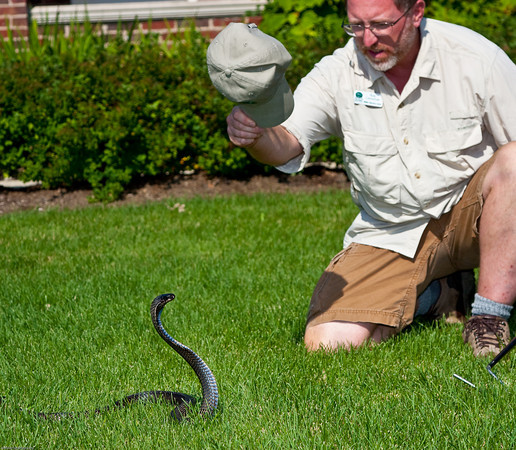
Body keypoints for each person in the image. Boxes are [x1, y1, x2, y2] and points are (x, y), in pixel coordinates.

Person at [225, 0, 516, 356]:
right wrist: (257, 136)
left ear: (416, 12)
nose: (367, 39)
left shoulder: (475, 59)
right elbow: (286, 142)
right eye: (356, 26)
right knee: (327, 344)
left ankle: (488, 318)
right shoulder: (337, 71)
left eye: (380, 24)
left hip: (474, 217)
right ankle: (440, 294)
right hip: (391, 231)